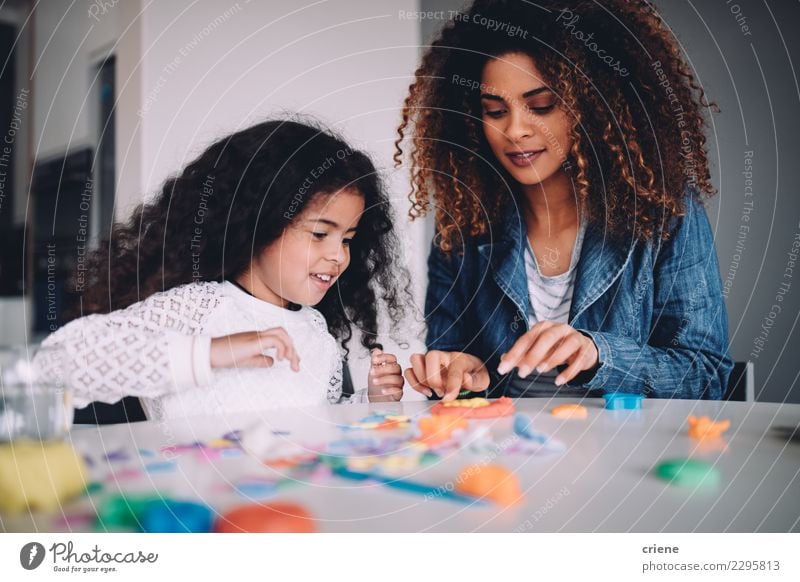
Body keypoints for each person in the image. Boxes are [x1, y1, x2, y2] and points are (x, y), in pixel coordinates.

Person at [395, 0, 733, 401]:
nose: (515, 130)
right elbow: (451, 372)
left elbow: (706, 375)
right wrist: (461, 374)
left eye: (541, 106)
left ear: (590, 107)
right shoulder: (464, 227)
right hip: (503, 454)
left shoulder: (665, 215)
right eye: (495, 111)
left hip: (622, 453)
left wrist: (598, 354)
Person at [38, 120, 408, 418]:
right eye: (319, 234)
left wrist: (370, 403)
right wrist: (209, 353)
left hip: (284, 508)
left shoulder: (315, 333)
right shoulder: (196, 309)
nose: (338, 256)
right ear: (259, 226)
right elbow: (55, 365)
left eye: (346, 239)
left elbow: (316, 423)